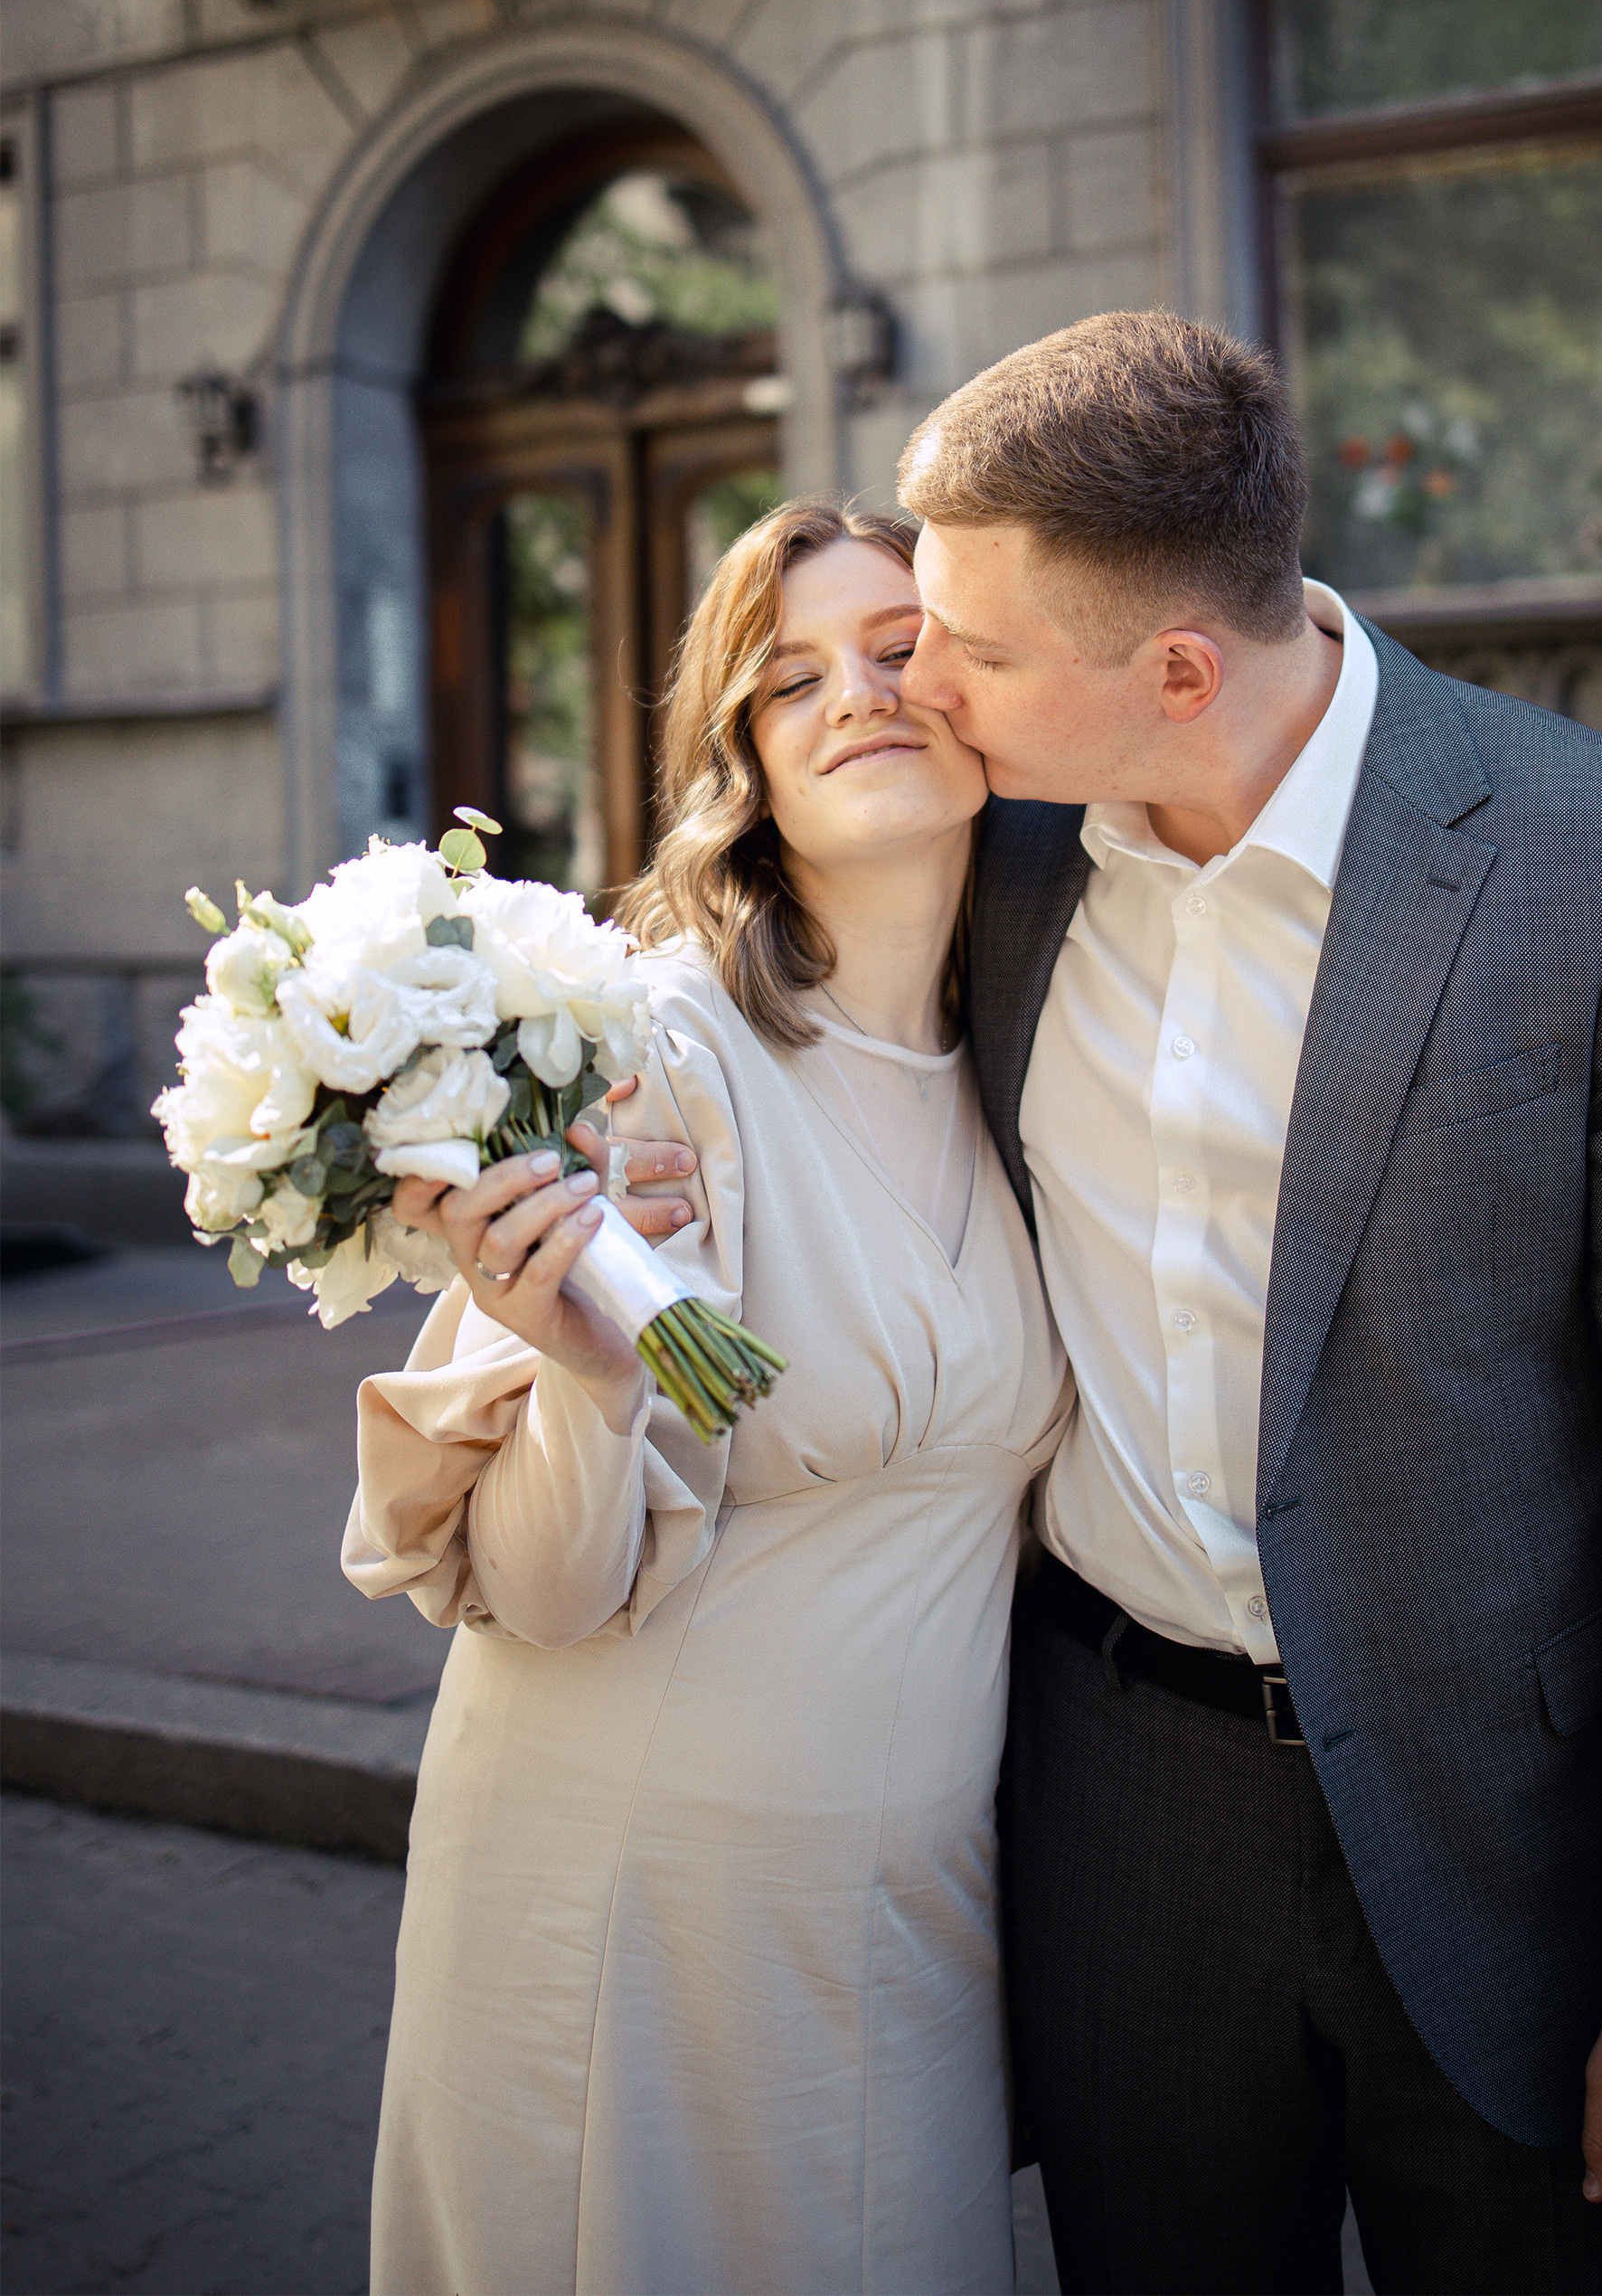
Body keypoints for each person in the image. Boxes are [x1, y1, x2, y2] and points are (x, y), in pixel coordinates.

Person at [874, 310, 1602, 2295]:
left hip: (1509, 1837)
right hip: (1121, 1799)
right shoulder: (994, 859)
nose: (922, 679)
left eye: (967, 645)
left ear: (1170, 668)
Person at [342, 498, 1070, 2296]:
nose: (857, 696)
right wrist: (589, 1384)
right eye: (789, 677)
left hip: (914, 1914)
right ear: (742, 756)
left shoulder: (1039, 1061)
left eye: (899, 650)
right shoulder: (654, 1061)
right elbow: (544, 1589)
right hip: (637, 1888)